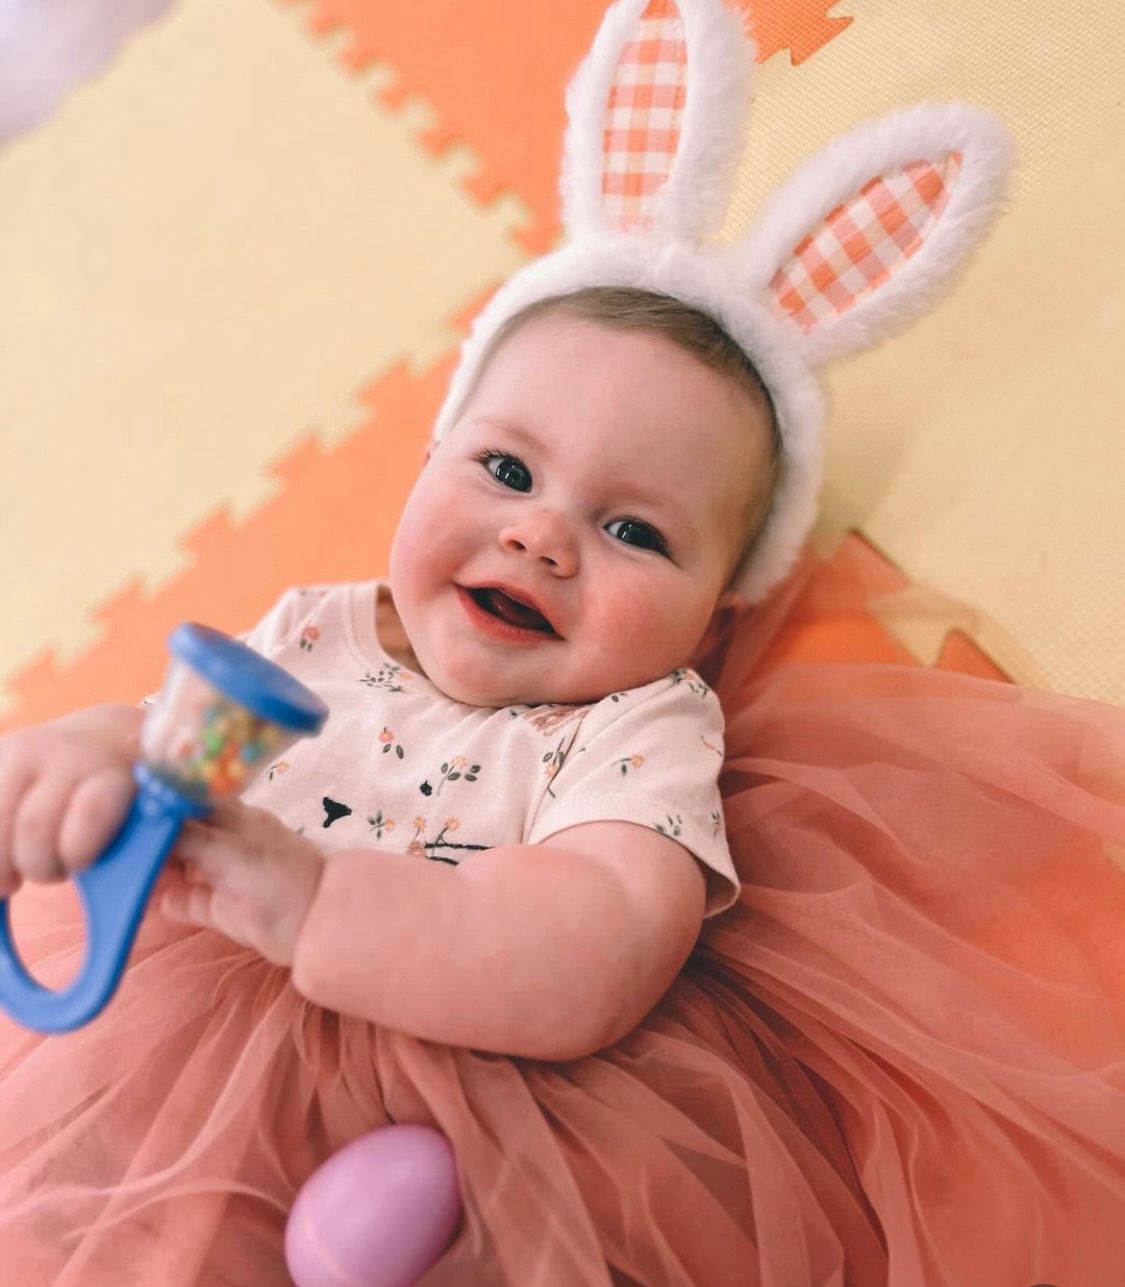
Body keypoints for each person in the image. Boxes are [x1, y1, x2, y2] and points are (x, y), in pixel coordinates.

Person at [1, 0, 1123, 1283]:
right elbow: (170, 751)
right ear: (429, 458)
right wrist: (79, 758)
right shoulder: (314, 628)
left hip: (475, 1121)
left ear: (723, 612)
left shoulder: (638, 730)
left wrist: (315, 900)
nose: (542, 539)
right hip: (175, 1050)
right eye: (503, 468)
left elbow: (591, 949)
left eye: (636, 532)